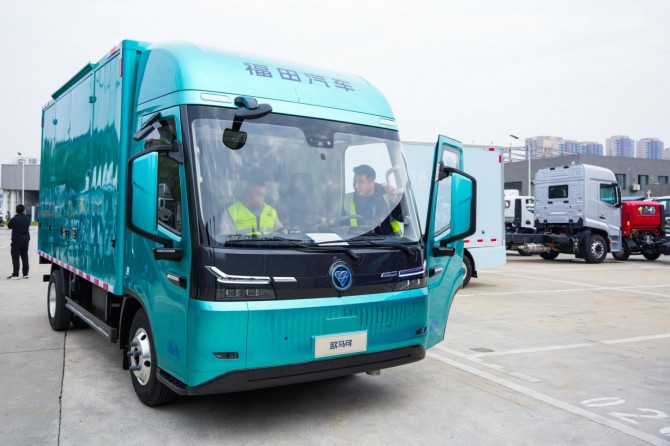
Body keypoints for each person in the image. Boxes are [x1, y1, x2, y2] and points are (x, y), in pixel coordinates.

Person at [343, 164, 403, 236]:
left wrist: (394, 201)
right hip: (359, 242)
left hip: (390, 241)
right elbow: (340, 228)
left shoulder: (388, 194)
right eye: (354, 181)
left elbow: (402, 218)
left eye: (361, 182)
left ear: (372, 183)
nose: (356, 186)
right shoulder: (346, 200)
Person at [7, 204, 31, 279]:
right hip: (26, 240)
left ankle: (15, 274)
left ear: (16, 210)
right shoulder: (28, 219)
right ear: (24, 210)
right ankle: (25, 274)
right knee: (25, 256)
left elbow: (9, 226)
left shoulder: (14, 219)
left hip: (16, 240)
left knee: (15, 257)